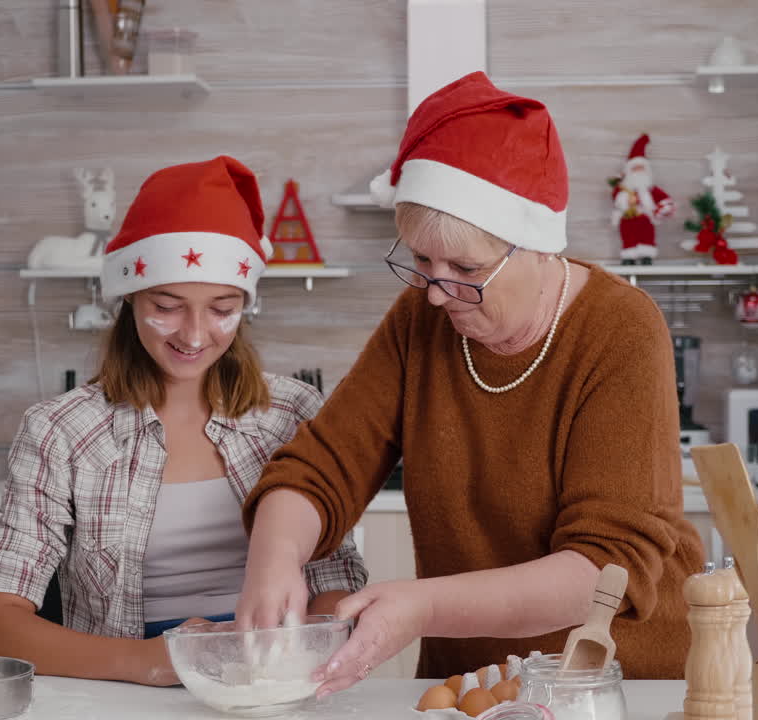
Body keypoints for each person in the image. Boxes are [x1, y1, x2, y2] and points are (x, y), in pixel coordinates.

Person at [235, 72, 703, 695]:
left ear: (535, 246)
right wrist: (274, 557)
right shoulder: (420, 321)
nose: (435, 292)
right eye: (422, 262)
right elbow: (323, 465)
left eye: (466, 268)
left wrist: (422, 607)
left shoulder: (621, 330)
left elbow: (602, 570)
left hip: (613, 683)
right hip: (469, 688)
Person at [0, 157, 367, 686]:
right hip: (126, 690)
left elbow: (334, 581)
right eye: (168, 304)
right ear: (129, 296)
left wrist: (314, 646)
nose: (196, 334)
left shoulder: (293, 414)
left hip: (275, 684)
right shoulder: (59, 432)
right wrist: (156, 661)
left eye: (222, 307)